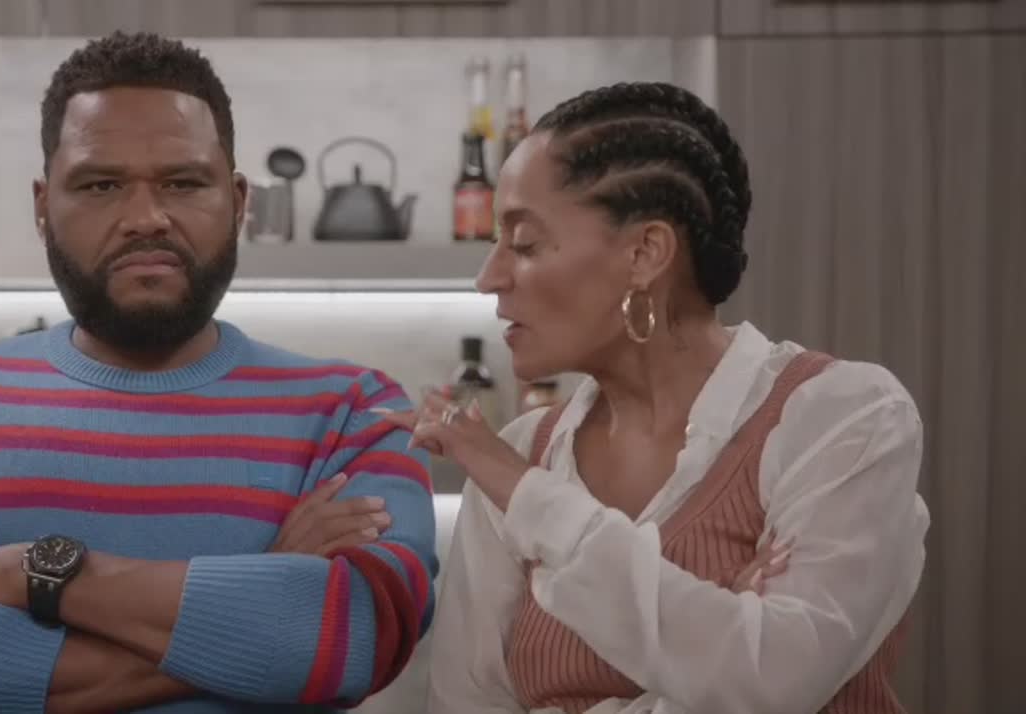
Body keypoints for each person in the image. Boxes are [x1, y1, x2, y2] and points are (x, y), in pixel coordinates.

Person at [0, 32, 436, 714]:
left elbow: (360, 633)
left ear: (238, 201)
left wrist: (34, 573)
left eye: (183, 183)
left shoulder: (356, 411)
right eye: (101, 185)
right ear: (43, 205)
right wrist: (266, 609)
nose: (145, 218)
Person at [381, 82, 930, 714]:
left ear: (645, 253)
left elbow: (771, 684)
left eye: (525, 244)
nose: (488, 278)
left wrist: (531, 498)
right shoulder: (521, 450)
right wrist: (711, 651)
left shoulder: (843, 419)